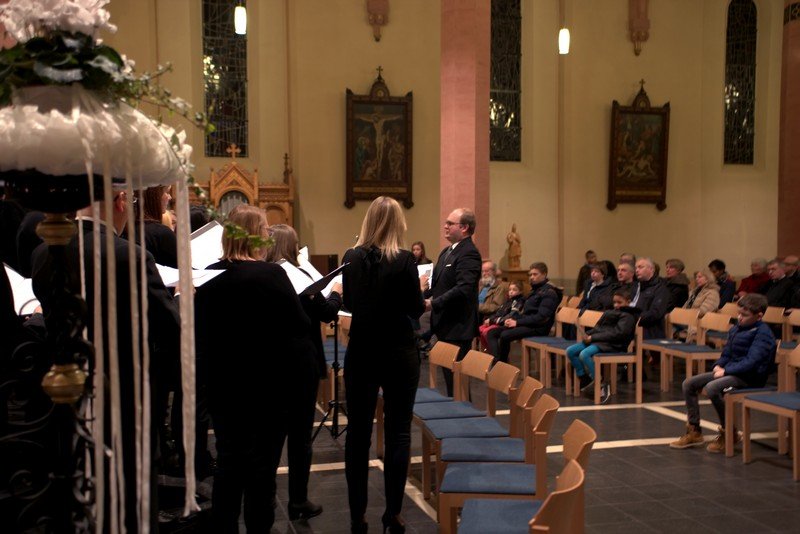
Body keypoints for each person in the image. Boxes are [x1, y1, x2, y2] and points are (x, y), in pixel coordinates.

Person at [31, 186, 180, 532]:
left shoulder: (43, 252)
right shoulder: (129, 255)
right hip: (122, 391)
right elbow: (168, 328)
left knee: (76, 482)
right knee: (129, 491)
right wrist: (180, 299)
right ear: (120, 200)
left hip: (63, 391)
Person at [195, 205, 315, 532]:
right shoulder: (271, 275)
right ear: (256, 235)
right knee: (262, 472)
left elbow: (201, 334)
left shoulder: (208, 276)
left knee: (228, 466)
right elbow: (300, 325)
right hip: (267, 391)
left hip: (224, 389)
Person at [342, 196, 424, 534]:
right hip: (398, 351)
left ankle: (356, 515)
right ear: (397, 224)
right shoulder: (404, 260)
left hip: (362, 350)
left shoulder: (350, 257)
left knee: (358, 433)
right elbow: (416, 309)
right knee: (398, 432)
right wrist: (419, 290)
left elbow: (349, 303)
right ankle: (393, 513)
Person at [265, 223, 342, 520]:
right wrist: (336, 292)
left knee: (272, 435)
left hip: (272, 363)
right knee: (299, 436)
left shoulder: (264, 274)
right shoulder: (298, 275)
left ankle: (266, 498)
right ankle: (298, 500)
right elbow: (327, 312)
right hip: (300, 364)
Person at [670, 293, 776, 453]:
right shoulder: (736, 329)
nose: (739, 317)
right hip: (732, 372)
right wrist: (719, 365)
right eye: (738, 313)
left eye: (744, 315)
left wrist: (726, 370)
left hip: (751, 377)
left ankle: (729, 433)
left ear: (759, 316)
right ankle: (694, 431)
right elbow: (727, 353)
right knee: (689, 384)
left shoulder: (763, 334)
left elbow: (751, 362)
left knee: (712, 388)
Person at [423, 208, 482, 396]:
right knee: (450, 380)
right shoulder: (447, 252)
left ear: (464, 228)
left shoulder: (469, 253)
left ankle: (464, 413)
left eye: (450, 223)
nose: (445, 226)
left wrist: (433, 303)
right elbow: (438, 285)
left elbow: (464, 288)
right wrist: (421, 293)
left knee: (459, 383)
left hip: (458, 326)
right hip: (444, 324)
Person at [566, 288, 639, 401]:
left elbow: (617, 334)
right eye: (614, 302)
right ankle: (584, 378)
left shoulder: (628, 316)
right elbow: (599, 327)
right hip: (600, 341)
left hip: (614, 344)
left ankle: (599, 381)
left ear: (628, 302)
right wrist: (588, 334)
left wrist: (593, 337)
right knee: (570, 351)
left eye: (619, 302)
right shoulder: (610, 312)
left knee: (584, 354)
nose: (616, 305)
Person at [486, 262, 562, 363]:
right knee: (492, 332)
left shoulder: (549, 292)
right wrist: (512, 320)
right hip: (527, 324)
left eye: (535, 274)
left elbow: (541, 317)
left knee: (505, 335)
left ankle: (501, 363)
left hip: (538, 327)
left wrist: (517, 322)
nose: (531, 277)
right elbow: (526, 312)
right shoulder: (535, 290)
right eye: (530, 274)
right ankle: (497, 361)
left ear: (544, 274)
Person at [128, 185, 178, 267]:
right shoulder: (161, 234)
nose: (170, 197)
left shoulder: (126, 229)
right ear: (154, 195)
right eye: (167, 192)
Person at [633, 257, 672, 341]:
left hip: (650, 331)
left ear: (651, 269)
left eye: (640, 267)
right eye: (636, 268)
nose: (637, 270)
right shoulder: (635, 287)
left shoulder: (660, 289)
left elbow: (655, 313)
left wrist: (634, 318)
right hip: (633, 326)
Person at [479, 280, 524, 350]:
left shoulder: (519, 301)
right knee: (480, 329)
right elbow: (499, 312)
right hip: (499, 321)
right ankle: (487, 349)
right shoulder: (508, 301)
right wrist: (490, 319)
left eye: (514, 290)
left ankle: (493, 352)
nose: (511, 292)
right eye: (510, 290)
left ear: (520, 291)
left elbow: (511, 316)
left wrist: (492, 321)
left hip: (505, 324)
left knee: (487, 332)